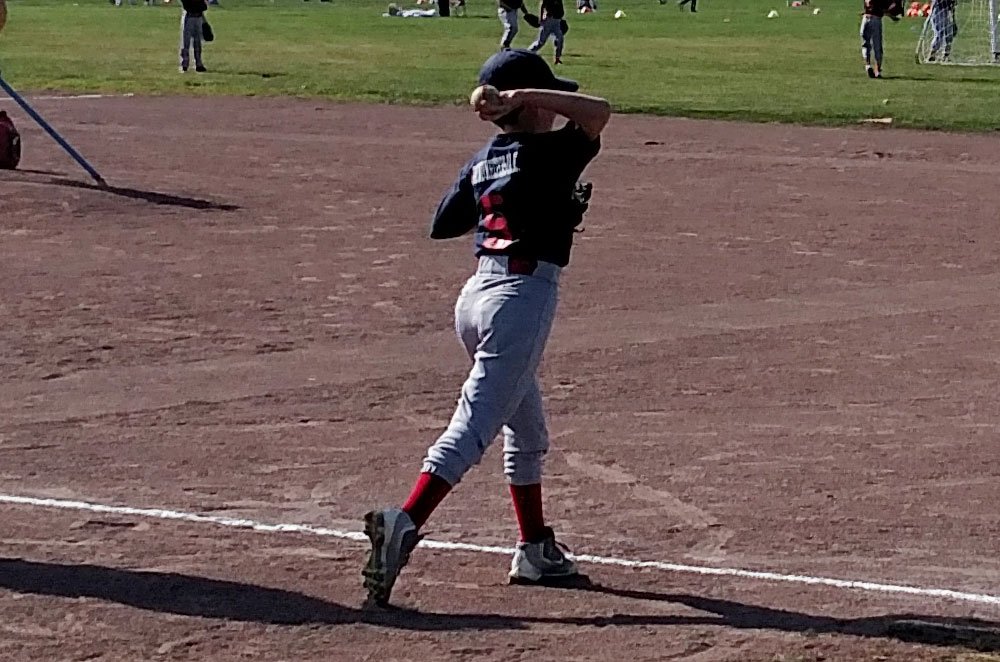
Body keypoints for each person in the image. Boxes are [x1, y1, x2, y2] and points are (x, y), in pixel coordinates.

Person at [361, 48, 611, 608]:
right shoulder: (551, 150)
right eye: (545, 97)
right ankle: (405, 520)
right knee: (473, 425)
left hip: (475, 298)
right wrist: (527, 106)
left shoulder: (485, 159)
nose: (555, 106)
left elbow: (443, 222)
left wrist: (510, 189)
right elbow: (598, 112)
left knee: (527, 428)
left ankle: (534, 548)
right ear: (528, 102)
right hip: (521, 297)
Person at [860, 0, 901, 78]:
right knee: (877, 46)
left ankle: (868, 65)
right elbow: (884, 9)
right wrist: (892, 17)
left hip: (865, 19)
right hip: (876, 19)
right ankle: (877, 71)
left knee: (865, 45)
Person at [529, 0, 566, 65]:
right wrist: (541, 18)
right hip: (548, 20)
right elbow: (542, 5)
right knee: (541, 42)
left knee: (560, 39)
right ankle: (528, 53)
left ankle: (557, 59)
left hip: (557, 21)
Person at [179, 0, 208, 73]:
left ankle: (198, 64)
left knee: (197, 42)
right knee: (186, 41)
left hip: (198, 16)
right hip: (189, 16)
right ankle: (185, 63)